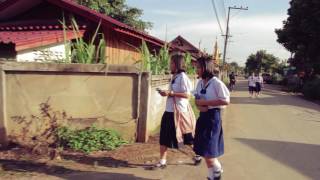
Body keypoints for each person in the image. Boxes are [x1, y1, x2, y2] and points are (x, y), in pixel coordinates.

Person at [154, 54, 197, 169]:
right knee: (163, 136)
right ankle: (162, 161)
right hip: (169, 111)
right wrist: (166, 93)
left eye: (172, 63)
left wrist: (171, 93)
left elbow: (188, 95)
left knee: (187, 137)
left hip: (179, 113)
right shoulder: (175, 76)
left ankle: (197, 154)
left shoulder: (183, 77)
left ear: (177, 64)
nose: (170, 65)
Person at [193, 57, 230, 180]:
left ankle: (217, 171)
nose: (196, 69)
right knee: (204, 150)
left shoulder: (216, 83)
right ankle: (211, 176)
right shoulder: (200, 83)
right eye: (196, 67)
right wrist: (198, 105)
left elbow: (225, 100)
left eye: (198, 67)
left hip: (213, 118)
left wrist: (207, 103)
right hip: (203, 117)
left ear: (206, 68)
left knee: (209, 152)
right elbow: (196, 97)